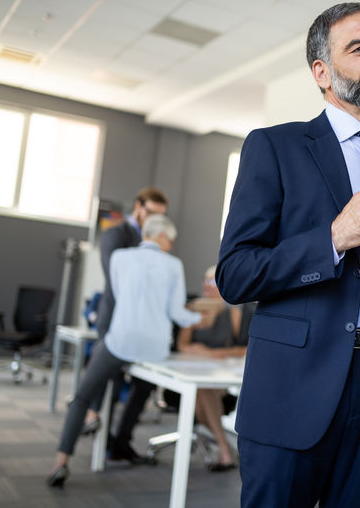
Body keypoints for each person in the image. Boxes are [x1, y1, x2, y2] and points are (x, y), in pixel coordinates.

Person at [217, 2, 360, 508]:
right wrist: (334, 237)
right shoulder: (275, 147)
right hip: (294, 384)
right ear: (322, 71)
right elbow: (235, 274)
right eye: (358, 48)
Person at [47, 214, 202, 488]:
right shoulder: (174, 265)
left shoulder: (120, 258)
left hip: (121, 342)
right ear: (162, 237)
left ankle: (61, 461)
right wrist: (202, 318)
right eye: (171, 240)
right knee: (142, 389)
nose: (172, 245)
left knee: (83, 395)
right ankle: (121, 442)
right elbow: (176, 313)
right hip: (154, 349)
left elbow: (117, 296)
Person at [80, 187, 169, 464]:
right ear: (138, 207)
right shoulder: (116, 235)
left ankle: (121, 442)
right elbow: (117, 280)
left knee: (145, 383)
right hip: (116, 321)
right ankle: (102, 438)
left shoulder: (155, 239)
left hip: (143, 326)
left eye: (162, 216)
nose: (157, 220)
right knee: (113, 379)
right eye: (153, 213)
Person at [175, 265, 254, 472]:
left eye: (213, 282)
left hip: (221, 376)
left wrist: (222, 354)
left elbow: (244, 348)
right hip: (190, 374)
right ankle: (225, 447)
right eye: (206, 282)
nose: (208, 287)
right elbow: (182, 346)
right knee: (202, 388)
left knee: (204, 391)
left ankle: (224, 448)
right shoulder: (193, 311)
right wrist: (205, 353)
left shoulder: (233, 314)